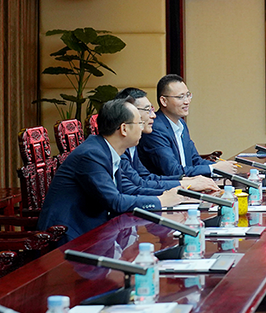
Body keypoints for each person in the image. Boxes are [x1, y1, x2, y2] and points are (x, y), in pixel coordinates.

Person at [38, 98, 183, 242]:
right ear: (124, 129)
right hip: (68, 236)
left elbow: (128, 190)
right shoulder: (91, 155)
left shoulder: (108, 150)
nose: (142, 127)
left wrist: (170, 194)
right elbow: (115, 201)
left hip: (95, 230)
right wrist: (160, 200)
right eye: (139, 123)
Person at [115, 87, 219, 194]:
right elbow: (137, 186)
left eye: (152, 109)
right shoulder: (119, 149)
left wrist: (185, 180)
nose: (153, 115)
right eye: (147, 110)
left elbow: (146, 177)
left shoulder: (131, 146)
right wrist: (183, 185)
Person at [138, 74, 238, 177]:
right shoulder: (155, 128)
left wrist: (221, 167)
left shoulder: (181, 123)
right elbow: (173, 171)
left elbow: (195, 160)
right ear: (164, 101)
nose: (187, 101)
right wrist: (213, 169)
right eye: (180, 97)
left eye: (188, 95)